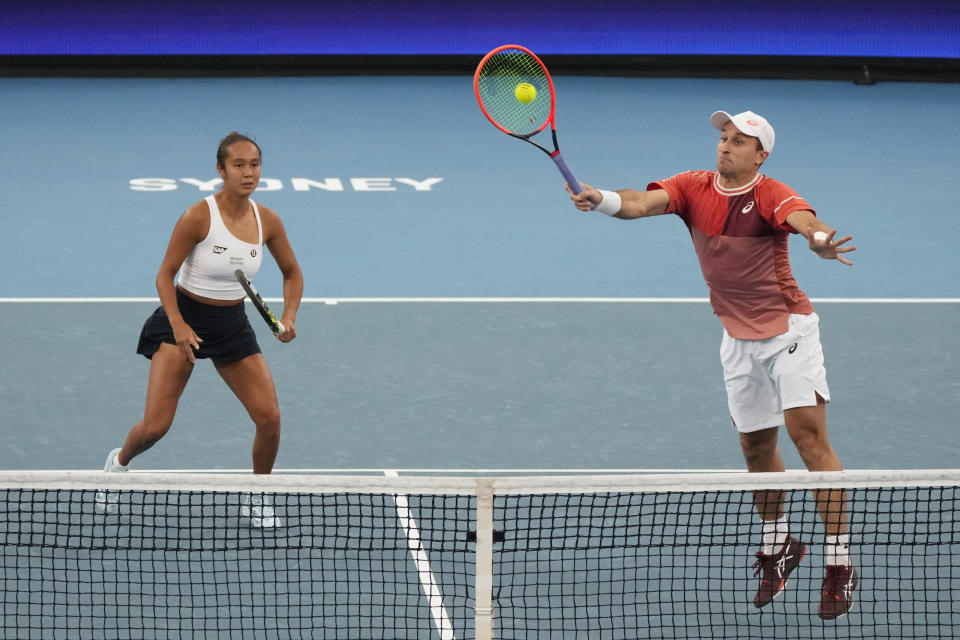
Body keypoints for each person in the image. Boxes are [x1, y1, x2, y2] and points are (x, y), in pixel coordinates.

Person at [568, 110, 858, 619]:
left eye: (739, 141)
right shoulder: (691, 187)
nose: (725, 146)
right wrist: (603, 199)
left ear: (760, 155)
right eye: (724, 138)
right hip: (736, 337)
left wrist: (819, 240)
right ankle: (779, 546)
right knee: (754, 447)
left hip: (788, 332)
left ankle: (839, 563)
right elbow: (638, 202)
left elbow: (804, 221)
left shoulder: (771, 193)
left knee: (809, 440)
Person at [102, 132, 303, 524]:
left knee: (269, 418)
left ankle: (258, 494)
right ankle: (119, 462)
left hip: (231, 326)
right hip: (184, 320)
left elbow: (292, 272)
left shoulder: (268, 221)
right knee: (155, 427)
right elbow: (164, 275)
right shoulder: (198, 216)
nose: (249, 173)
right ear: (221, 169)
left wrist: (290, 315)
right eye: (239, 165)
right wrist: (177, 325)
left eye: (255, 165)